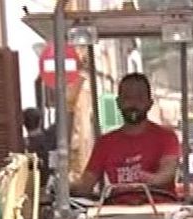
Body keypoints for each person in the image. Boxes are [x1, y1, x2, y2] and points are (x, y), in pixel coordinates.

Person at [72, 73, 180, 204]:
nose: (133, 104)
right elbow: (86, 185)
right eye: (127, 98)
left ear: (149, 103)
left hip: (161, 213)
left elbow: (167, 173)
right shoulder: (105, 143)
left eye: (139, 98)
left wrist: (144, 180)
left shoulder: (166, 137)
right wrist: (64, 187)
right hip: (117, 215)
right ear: (118, 103)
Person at [23, 107, 55, 187]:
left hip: (30, 186)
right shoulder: (50, 139)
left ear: (23, 124)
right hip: (49, 183)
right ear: (40, 121)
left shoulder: (23, 145)